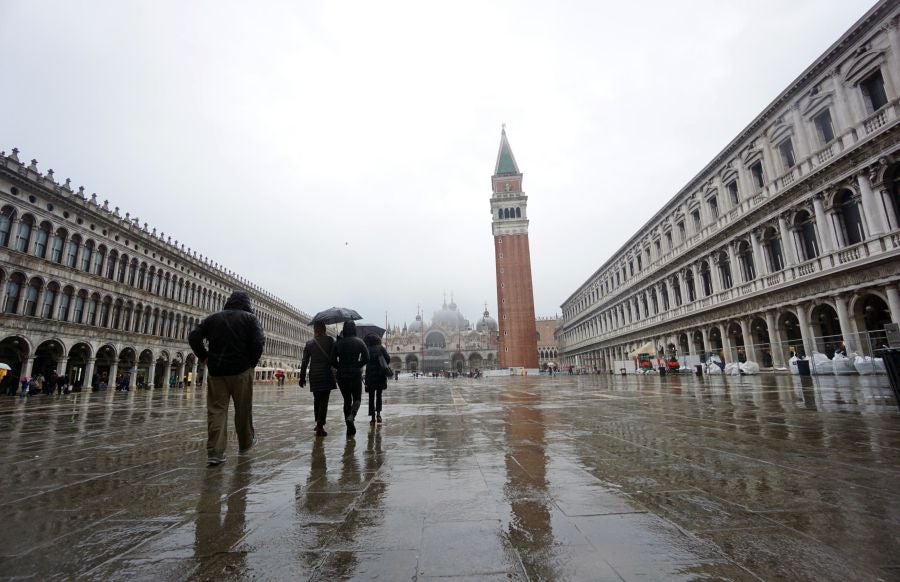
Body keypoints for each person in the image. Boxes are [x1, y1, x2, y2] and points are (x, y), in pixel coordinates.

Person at [189, 290, 266, 467]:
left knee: (217, 411)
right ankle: (245, 444)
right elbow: (259, 341)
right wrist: (251, 362)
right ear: (246, 303)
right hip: (241, 371)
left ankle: (215, 453)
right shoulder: (250, 319)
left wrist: (204, 356)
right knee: (243, 409)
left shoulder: (212, 319)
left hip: (217, 372)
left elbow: (194, 336)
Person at [330, 321, 369, 438]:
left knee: (347, 400)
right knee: (357, 399)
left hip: (342, 375)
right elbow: (367, 357)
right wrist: (358, 365)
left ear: (344, 329)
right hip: (355, 374)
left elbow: (332, 360)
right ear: (354, 329)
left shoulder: (338, 343)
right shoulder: (359, 342)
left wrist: (340, 367)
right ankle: (351, 416)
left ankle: (349, 428)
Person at [299, 322, 337, 437]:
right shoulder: (330, 341)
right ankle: (320, 425)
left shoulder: (309, 343)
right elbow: (335, 356)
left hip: (314, 375)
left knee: (317, 399)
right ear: (325, 329)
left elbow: (304, 361)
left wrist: (302, 378)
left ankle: (318, 423)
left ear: (315, 330)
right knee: (324, 401)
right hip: (326, 374)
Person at [363, 334, 391, 425]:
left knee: (371, 397)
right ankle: (378, 414)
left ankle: (372, 418)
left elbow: (364, 360)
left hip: (370, 376)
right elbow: (388, 359)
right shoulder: (381, 348)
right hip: (380, 376)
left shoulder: (368, 349)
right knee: (379, 396)